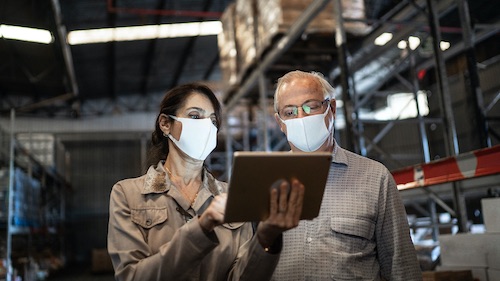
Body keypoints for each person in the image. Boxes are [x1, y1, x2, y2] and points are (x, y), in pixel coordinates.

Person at [107, 83, 305, 281]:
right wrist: (201, 228)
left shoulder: (233, 197)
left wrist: (266, 238)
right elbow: (131, 277)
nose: (206, 127)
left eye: (213, 121)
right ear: (165, 124)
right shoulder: (128, 194)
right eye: (195, 116)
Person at [271, 70, 422, 280]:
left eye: (311, 106)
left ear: (331, 108)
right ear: (280, 123)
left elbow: (401, 265)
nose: (301, 118)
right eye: (290, 112)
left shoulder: (375, 178)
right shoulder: (264, 182)